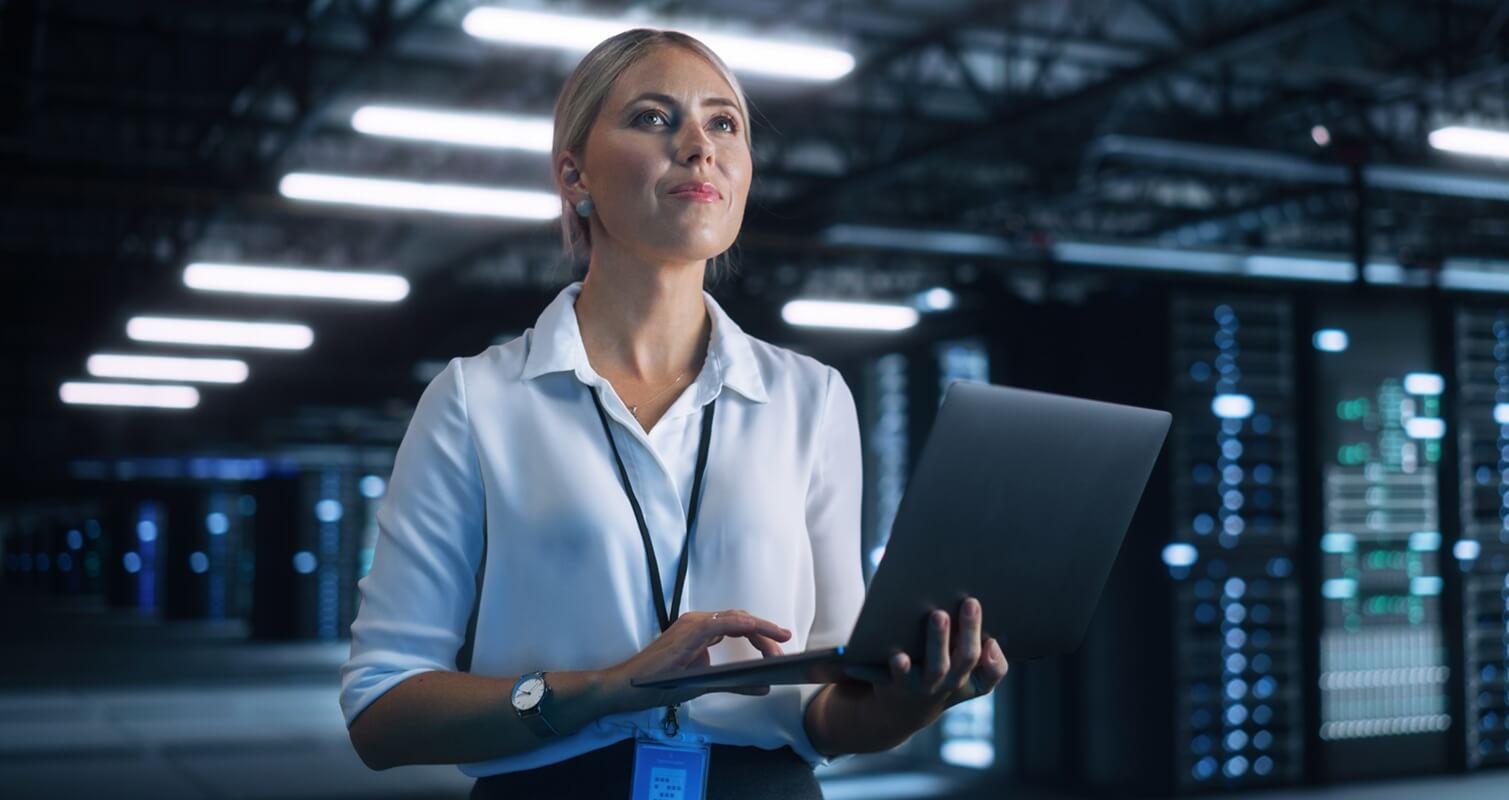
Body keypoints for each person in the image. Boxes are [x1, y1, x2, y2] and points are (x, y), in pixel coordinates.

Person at [339, 27, 1009, 799]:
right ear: (573, 175)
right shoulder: (475, 400)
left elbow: (827, 707)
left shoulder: (811, 397)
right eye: (654, 118)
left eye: (724, 123)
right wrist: (600, 689)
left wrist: (908, 702)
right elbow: (380, 710)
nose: (699, 146)